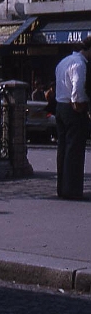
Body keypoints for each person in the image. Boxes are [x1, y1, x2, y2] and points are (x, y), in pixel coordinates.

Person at [54, 36, 91, 200]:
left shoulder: (64, 61)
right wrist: (79, 104)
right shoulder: (80, 64)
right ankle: (72, 189)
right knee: (74, 150)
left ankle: (62, 187)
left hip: (60, 105)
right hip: (72, 107)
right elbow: (78, 86)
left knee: (63, 148)